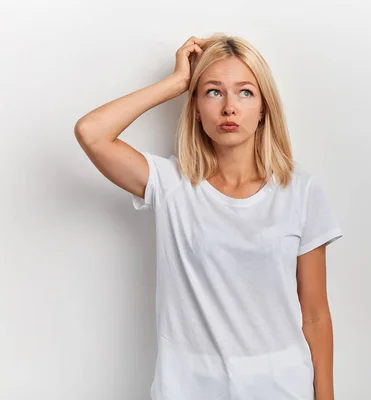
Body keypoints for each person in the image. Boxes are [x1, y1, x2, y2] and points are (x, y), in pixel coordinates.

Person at [74, 34, 343, 400]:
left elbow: (314, 315)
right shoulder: (171, 185)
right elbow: (91, 133)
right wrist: (177, 83)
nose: (229, 107)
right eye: (213, 92)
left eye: (245, 92)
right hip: (188, 386)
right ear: (196, 107)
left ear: (264, 107)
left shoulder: (301, 191)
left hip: (281, 385)